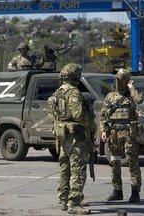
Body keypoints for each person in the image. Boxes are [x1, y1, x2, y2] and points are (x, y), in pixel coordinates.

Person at [49, 63, 96, 214]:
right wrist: (91, 124)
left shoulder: (59, 91)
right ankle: (73, 203)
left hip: (63, 136)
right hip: (76, 137)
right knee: (78, 169)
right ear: (75, 76)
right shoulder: (73, 92)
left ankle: (64, 198)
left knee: (65, 168)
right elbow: (79, 116)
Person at [100, 68, 144, 203]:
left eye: (121, 79)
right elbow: (103, 115)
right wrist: (103, 130)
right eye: (117, 79)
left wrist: (132, 88)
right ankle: (117, 190)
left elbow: (139, 100)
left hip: (128, 134)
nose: (118, 81)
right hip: (113, 134)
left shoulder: (132, 96)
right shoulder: (110, 96)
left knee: (132, 162)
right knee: (114, 162)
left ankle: (135, 191)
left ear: (126, 81)